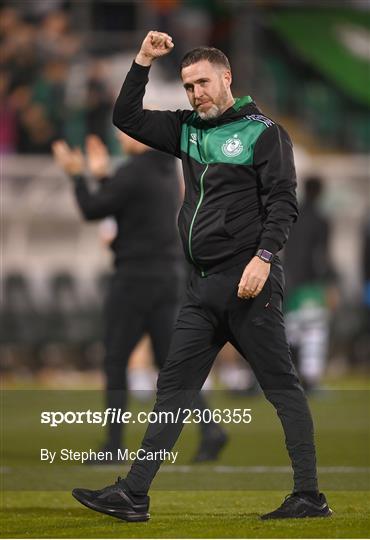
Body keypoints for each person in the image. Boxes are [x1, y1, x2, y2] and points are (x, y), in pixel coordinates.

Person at [72, 31, 332, 521]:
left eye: (204, 83)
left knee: (281, 387)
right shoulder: (187, 129)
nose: (196, 94)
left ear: (227, 77)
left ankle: (309, 495)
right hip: (200, 286)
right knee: (172, 389)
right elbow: (124, 117)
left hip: (249, 282)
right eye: (189, 86)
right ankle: (134, 494)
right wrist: (143, 61)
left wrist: (264, 256)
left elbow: (283, 202)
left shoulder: (265, 132)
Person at [52, 133, 227, 463]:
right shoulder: (165, 170)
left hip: (134, 279)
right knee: (170, 364)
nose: (120, 135)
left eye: (128, 131)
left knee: (115, 361)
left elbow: (93, 209)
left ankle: (114, 445)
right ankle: (211, 429)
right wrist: (103, 176)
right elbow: (126, 205)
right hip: (167, 279)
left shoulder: (133, 172)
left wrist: (77, 175)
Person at [284, 176, 339, 391]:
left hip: (288, 280)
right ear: (320, 191)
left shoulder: (291, 215)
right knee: (314, 332)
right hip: (311, 285)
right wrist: (330, 284)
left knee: (290, 332)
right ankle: (310, 381)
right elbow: (321, 256)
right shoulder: (321, 219)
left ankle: (282, 377)